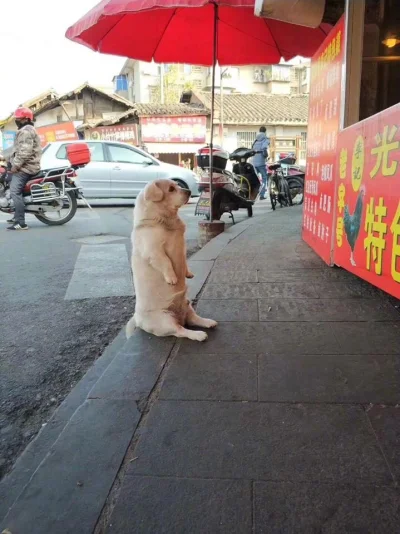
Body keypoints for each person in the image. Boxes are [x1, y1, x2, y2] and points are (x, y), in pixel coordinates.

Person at [6, 107, 42, 230]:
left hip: (27, 167)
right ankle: (16, 214)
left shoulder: (25, 131)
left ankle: (20, 222)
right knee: (8, 180)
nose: (17, 121)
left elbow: (24, 152)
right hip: (28, 165)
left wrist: (15, 166)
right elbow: (17, 150)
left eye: (18, 119)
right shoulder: (26, 130)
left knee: (14, 191)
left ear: (26, 119)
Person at [252, 126, 270, 200]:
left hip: (254, 162)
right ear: (265, 131)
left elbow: (252, 149)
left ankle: (253, 194)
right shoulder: (265, 139)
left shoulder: (255, 140)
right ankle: (262, 195)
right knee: (264, 178)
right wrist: (265, 155)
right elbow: (264, 148)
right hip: (261, 162)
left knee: (255, 179)